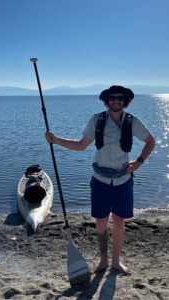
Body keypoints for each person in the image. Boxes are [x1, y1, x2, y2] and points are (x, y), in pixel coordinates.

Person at [45, 85, 156, 275]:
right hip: (100, 180)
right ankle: (103, 260)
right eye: (112, 98)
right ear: (107, 101)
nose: (116, 101)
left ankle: (116, 262)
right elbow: (81, 145)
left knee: (119, 221)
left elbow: (150, 141)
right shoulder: (97, 120)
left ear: (125, 101)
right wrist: (56, 140)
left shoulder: (132, 121)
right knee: (101, 222)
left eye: (120, 98)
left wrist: (138, 163)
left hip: (123, 181)